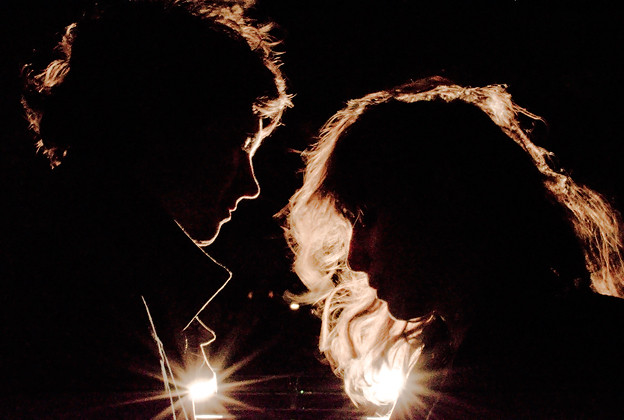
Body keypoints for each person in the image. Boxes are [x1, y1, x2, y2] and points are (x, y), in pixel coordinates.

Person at [3, 0, 290, 417]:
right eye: (239, 144)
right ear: (164, 128)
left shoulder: (76, 259)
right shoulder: (76, 297)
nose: (252, 187)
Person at [283, 76, 624, 418]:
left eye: (367, 217)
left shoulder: (583, 360)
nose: (354, 258)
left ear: (443, 205)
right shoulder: (446, 359)